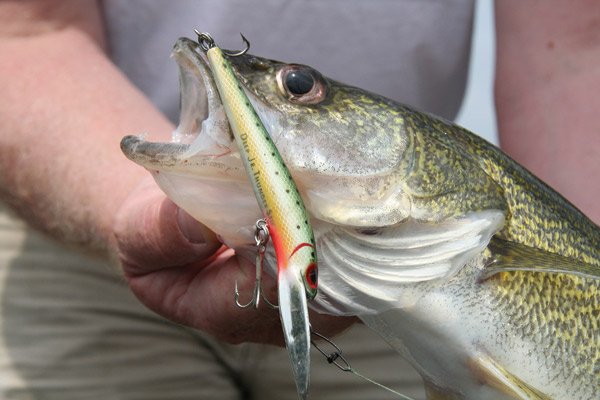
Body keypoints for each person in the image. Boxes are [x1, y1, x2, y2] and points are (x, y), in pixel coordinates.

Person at [0, 1, 597, 399]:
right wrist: (130, 208)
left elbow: (572, 56)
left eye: (299, 90)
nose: (290, 93)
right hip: (69, 213)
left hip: (370, 308)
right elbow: (23, 32)